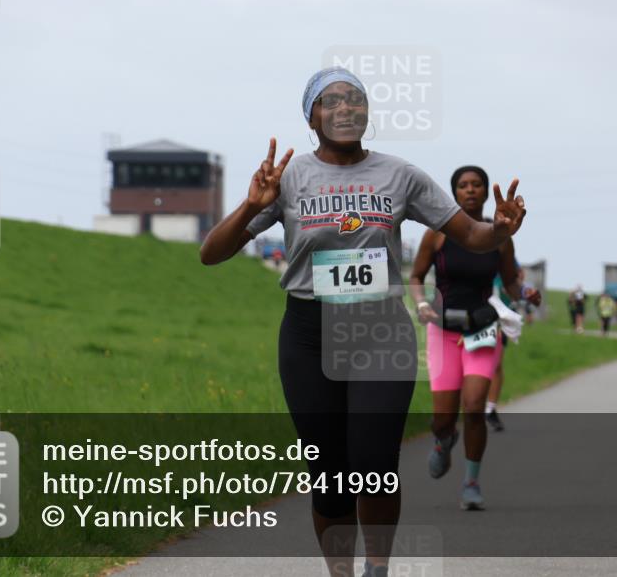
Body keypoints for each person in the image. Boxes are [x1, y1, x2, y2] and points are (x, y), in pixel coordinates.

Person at [199, 67, 529, 577]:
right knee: (328, 476)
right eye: (331, 101)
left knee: (374, 466)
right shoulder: (288, 179)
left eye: (356, 100)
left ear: (368, 113)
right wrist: (251, 205)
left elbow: (473, 236)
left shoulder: (401, 175)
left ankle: (376, 568)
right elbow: (210, 254)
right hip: (308, 334)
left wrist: (500, 230)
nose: (346, 108)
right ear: (311, 117)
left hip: (380, 331)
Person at [409, 165, 538, 511]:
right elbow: (417, 276)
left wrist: (525, 291)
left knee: (475, 408)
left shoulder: (500, 237)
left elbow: (511, 282)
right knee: (442, 419)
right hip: (444, 329)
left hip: (482, 328)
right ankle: (444, 440)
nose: (470, 190)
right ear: (454, 193)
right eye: (463, 185)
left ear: (484, 192)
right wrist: (421, 303)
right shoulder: (436, 234)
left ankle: (471, 481)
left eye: (476, 185)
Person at [486, 265, 540, 432]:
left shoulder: (503, 257)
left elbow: (517, 281)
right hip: (474, 316)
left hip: (498, 320)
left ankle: (490, 408)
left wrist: (525, 291)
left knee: (496, 366)